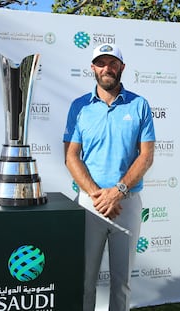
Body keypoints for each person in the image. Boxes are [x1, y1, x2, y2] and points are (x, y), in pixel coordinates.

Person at [63, 43, 155, 311]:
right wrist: (97, 195)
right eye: (101, 63)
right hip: (89, 203)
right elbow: (71, 156)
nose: (107, 68)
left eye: (113, 63)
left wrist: (117, 192)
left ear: (122, 68)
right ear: (93, 68)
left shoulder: (139, 105)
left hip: (125, 203)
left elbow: (146, 156)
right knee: (83, 280)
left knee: (122, 282)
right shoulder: (79, 107)